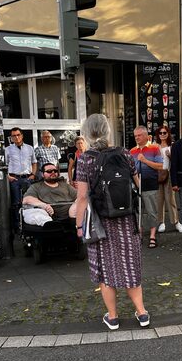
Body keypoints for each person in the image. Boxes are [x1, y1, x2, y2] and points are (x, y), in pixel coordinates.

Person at [74, 113, 149, 331]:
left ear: (87, 133)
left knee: (105, 270)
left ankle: (113, 317)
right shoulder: (124, 153)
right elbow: (138, 185)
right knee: (130, 267)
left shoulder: (85, 159)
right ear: (108, 131)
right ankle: (142, 313)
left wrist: (79, 226)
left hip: (100, 223)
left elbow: (81, 197)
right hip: (127, 221)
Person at [131, 125, 163, 248]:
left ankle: (152, 236)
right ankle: (139, 234)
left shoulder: (155, 148)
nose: (137, 138)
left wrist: (144, 161)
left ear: (145, 135)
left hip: (150, 184)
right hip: (136, 187)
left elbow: (160, 166)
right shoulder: (132, 151)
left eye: (139, 135)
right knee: (138, 211)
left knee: (151, 211)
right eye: (135, 136)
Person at [5, 127, 37, 231]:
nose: (16, 137)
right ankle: (17, 227)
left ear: (22, 135)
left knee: (29, 202)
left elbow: (34, 162)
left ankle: (29, 223)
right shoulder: (8, 149)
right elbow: (3, 165)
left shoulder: (29, 148)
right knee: (16, 203)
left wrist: (33, 174)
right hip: (14, 179)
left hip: (27, 178)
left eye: (18, 135)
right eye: (14, 135)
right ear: (11, 138)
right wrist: (8, 176)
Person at [154, 126, 182, 234]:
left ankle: (176, 222)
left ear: (168, 134)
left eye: (164, 133)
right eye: (160, 133)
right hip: (158, 174)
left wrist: (171, 156)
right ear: (158, 135)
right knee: (159, 199)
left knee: (171, 199)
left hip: (169, 174)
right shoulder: (155, 146)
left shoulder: (173, 146)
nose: (162, 135)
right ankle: (161, 222)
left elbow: (178, 161)